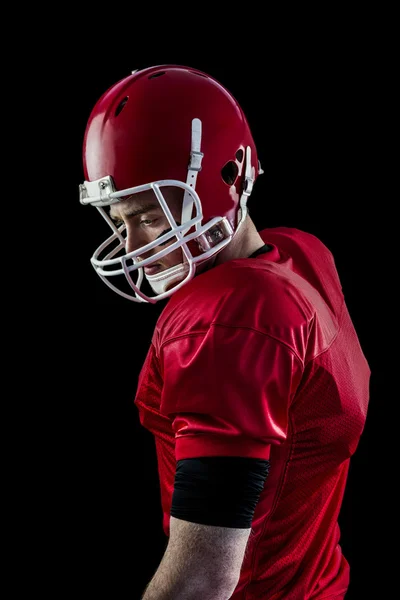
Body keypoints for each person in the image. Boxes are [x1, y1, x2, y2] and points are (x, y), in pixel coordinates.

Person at [79, 64, 371, 599]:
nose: (130, 245)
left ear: (230, 176)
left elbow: (203, 579)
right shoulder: (302, 257)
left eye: (147, 214)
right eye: (119, 221)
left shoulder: (231, 319)